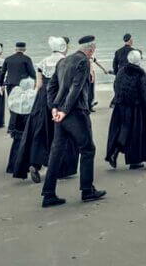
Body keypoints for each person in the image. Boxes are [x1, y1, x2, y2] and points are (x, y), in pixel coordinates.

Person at [41, 35, 105, 208]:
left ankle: (48, 193)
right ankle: (87, 190)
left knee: (56, 151)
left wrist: (54, 107)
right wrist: (63, 110)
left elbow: (51, 86)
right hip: (75, 112)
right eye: (93, 50)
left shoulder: (63, 61)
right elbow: (75, 88)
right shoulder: (83, 62)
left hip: (61, 113)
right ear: (90, 50)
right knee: (87, 148)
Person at [12, 37, 76, 184]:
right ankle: (60, 168)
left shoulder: (42, 62)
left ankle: (35, 164)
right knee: (61, 133)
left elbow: (39, 85)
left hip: (42, 99)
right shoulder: (68, 61)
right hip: (60, 98)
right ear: (63, 47)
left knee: (40, 132)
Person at [105, 50, 146, 170]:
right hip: (136, 107)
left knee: (123, 130)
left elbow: (116, 86)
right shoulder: (140, 73)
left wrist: (118, 99)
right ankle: (135, 161)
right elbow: (145, 92)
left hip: (121, 106)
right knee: (136, 133)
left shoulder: (121, 71)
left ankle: (115, 151)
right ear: (139, 60)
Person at [1, 42, 36, 132]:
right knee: (22, 104)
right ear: (24, 49)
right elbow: (32, 73)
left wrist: (0, 84)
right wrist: (37, 81)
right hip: (22, 85)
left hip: (9, 84)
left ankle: (12, 126)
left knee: (12, 104)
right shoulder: (27, 59)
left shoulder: (8, 59)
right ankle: (20, 126)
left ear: (15, 49)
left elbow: (2, 73)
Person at [5, 77, 36, 173]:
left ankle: (13, 166)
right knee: (29, 145)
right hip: (28, 122)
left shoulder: (15, 94)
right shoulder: (32, 95)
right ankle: (28, 165)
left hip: (16, 122)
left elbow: (11, 107)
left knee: (16, 144)